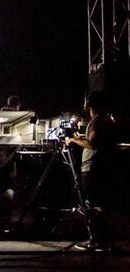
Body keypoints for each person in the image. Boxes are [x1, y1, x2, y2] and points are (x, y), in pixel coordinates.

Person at [66, 90, 119, 250]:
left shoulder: (96, 122)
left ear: (89, 104)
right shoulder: (107, 120)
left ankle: (96, 240)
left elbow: (93, 143)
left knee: (92, 204)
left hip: (93, 168)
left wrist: (73, 140)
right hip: (103, 167)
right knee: (100, 204)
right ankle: (104, 240)